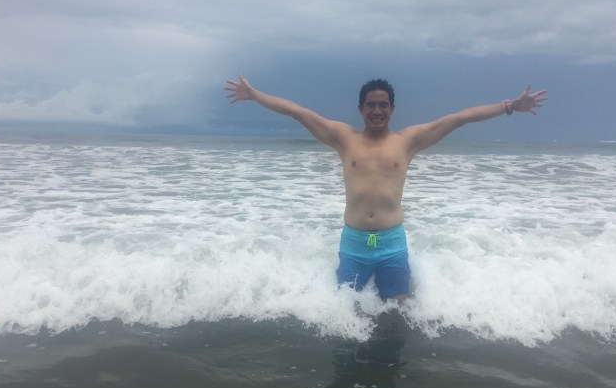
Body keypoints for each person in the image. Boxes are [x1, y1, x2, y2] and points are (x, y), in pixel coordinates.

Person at [225, 75, 547, 301]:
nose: (376, 111)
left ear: (392, 108)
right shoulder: (344, 138)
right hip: (354, 243)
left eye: (383, 105)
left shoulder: (407, 141)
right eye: (370, 105)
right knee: (345, 313)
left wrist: (509, 106)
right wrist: (255, 95)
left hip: (392, 243)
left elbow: (460, 118)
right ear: (360, 109)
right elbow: (297, 111)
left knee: (397, 313)